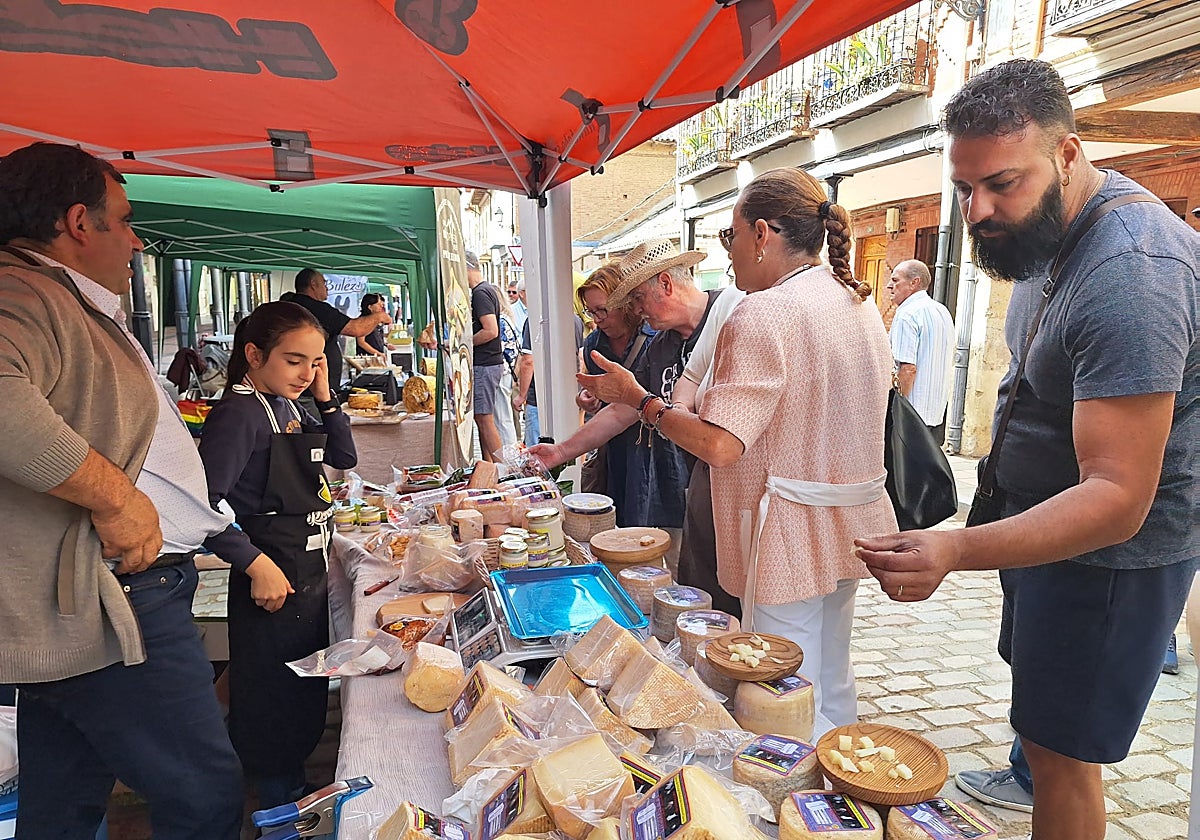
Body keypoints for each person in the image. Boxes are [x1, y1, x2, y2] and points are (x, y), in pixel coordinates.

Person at [854, 59, 1198, 840]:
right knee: (1043, 742)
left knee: (1063, 758)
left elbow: (1117, 496)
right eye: (965, 189)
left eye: (1001, 184)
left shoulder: (1130, 271)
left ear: (1069, 154)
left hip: (1110, 559)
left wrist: (957, 549)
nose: (979, 210)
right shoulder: (1051, 233)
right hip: (1053, 543)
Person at [580, 174, 896, 738]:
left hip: (788, 530)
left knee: (778, 683)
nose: (728, 255)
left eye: (729, 236)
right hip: (848, 518)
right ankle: (840, 788)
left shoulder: (764, 312)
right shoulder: (856, 301)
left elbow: (721, 444)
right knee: (831, 674)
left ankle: (799, 803)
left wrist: (641, 401)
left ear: (761, 235)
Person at [0, 142, 243, 839]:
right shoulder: (23, 292)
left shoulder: (54, 296)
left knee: (63, 802)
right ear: (80, 222)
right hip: (113, 605)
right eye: (125, 219)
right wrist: (116, 496)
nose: (136, 240)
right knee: (203, 796)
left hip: (91, 605)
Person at [199, 301, 357, 809]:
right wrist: (253, 562)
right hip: (270, 583)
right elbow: (202, 504)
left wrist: (326, 396)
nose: (305, 372)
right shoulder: (239, 413)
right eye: (294, 360)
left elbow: (343, 457)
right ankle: (274, 804)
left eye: (314, 362)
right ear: (254, 354)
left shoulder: (287, 404)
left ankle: (291, 787)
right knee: (270, 701)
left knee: (301, 693)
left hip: (304, 577)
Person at [530, 238, 727, 579]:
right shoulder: (663, 344)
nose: (637, 311)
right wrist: (562, 451)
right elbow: (624, 410)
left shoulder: (730, 316)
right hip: (682, 491)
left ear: (665, 283)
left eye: (638, 298)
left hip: (727, 498)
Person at [575, 262, 657, 499]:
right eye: (591, 312)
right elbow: (601, 402)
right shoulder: (593, 345)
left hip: (654, 455)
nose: (597, 319)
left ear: (625, 304)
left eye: (603, 310)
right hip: (614, 453)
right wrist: (586, 398)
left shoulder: (656, 337)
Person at [281, 268, 391, 400]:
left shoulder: (294, 306)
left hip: (304, 387)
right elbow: (356, 329)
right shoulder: (317, 309)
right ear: (313, 284)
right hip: (311, 391)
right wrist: (379, 317)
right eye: (324, 283)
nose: (327, 288)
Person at [886, 259, 954, 443]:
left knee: (902, 470)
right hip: (936, 413)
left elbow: (907, 369)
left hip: (911, 416)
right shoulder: (941, 311)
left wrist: (896, 412)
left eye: (895, 280)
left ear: (914, 283)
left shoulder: (907, 314)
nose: (889, 286)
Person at [514, 306, 585, 448]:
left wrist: (521, 395)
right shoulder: (576, 320)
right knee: (572, 444)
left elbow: (528, 361)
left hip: (541, 395)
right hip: (571, 392)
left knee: (537, 451)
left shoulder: (535, 320)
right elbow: (581, 357)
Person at [466, 250, 506, 461]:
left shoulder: (481, 293)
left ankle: (503, 468)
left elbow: (491, 330)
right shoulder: (485, 290)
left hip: (485, 363)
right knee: (482, 418)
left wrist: (464, 343)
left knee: (484, 418)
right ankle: (489, 466)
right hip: (487, 363)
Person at [356, 292, 392, 365]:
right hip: (367, 359)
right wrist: (378, 353)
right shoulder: (363, 321)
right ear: (370, 307)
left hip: (377, 357)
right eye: (378, 304)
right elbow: (361, 342)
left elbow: (375, 336)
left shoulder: (375, 319)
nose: (381, 305)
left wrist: (385, 344)